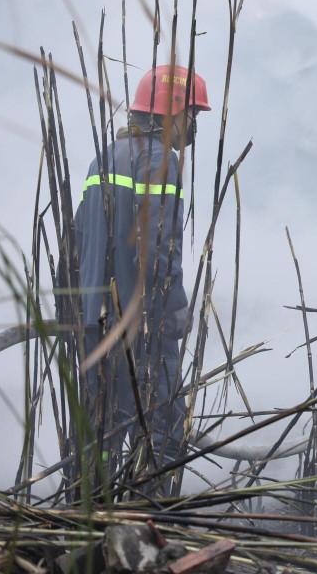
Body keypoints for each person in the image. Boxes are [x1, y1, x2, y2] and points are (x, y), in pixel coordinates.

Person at [74, 64, 210, 480]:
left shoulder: (105, 157)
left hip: (95, 326)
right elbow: (158, 251)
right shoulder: (159, 162)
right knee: (163, 437)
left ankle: (90, 524)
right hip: (142, 332)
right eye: (192, 114)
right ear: (172, 112)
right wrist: (174, 314)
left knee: (100, 438)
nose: (193, 124)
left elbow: (78, 237)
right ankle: (156, 527)